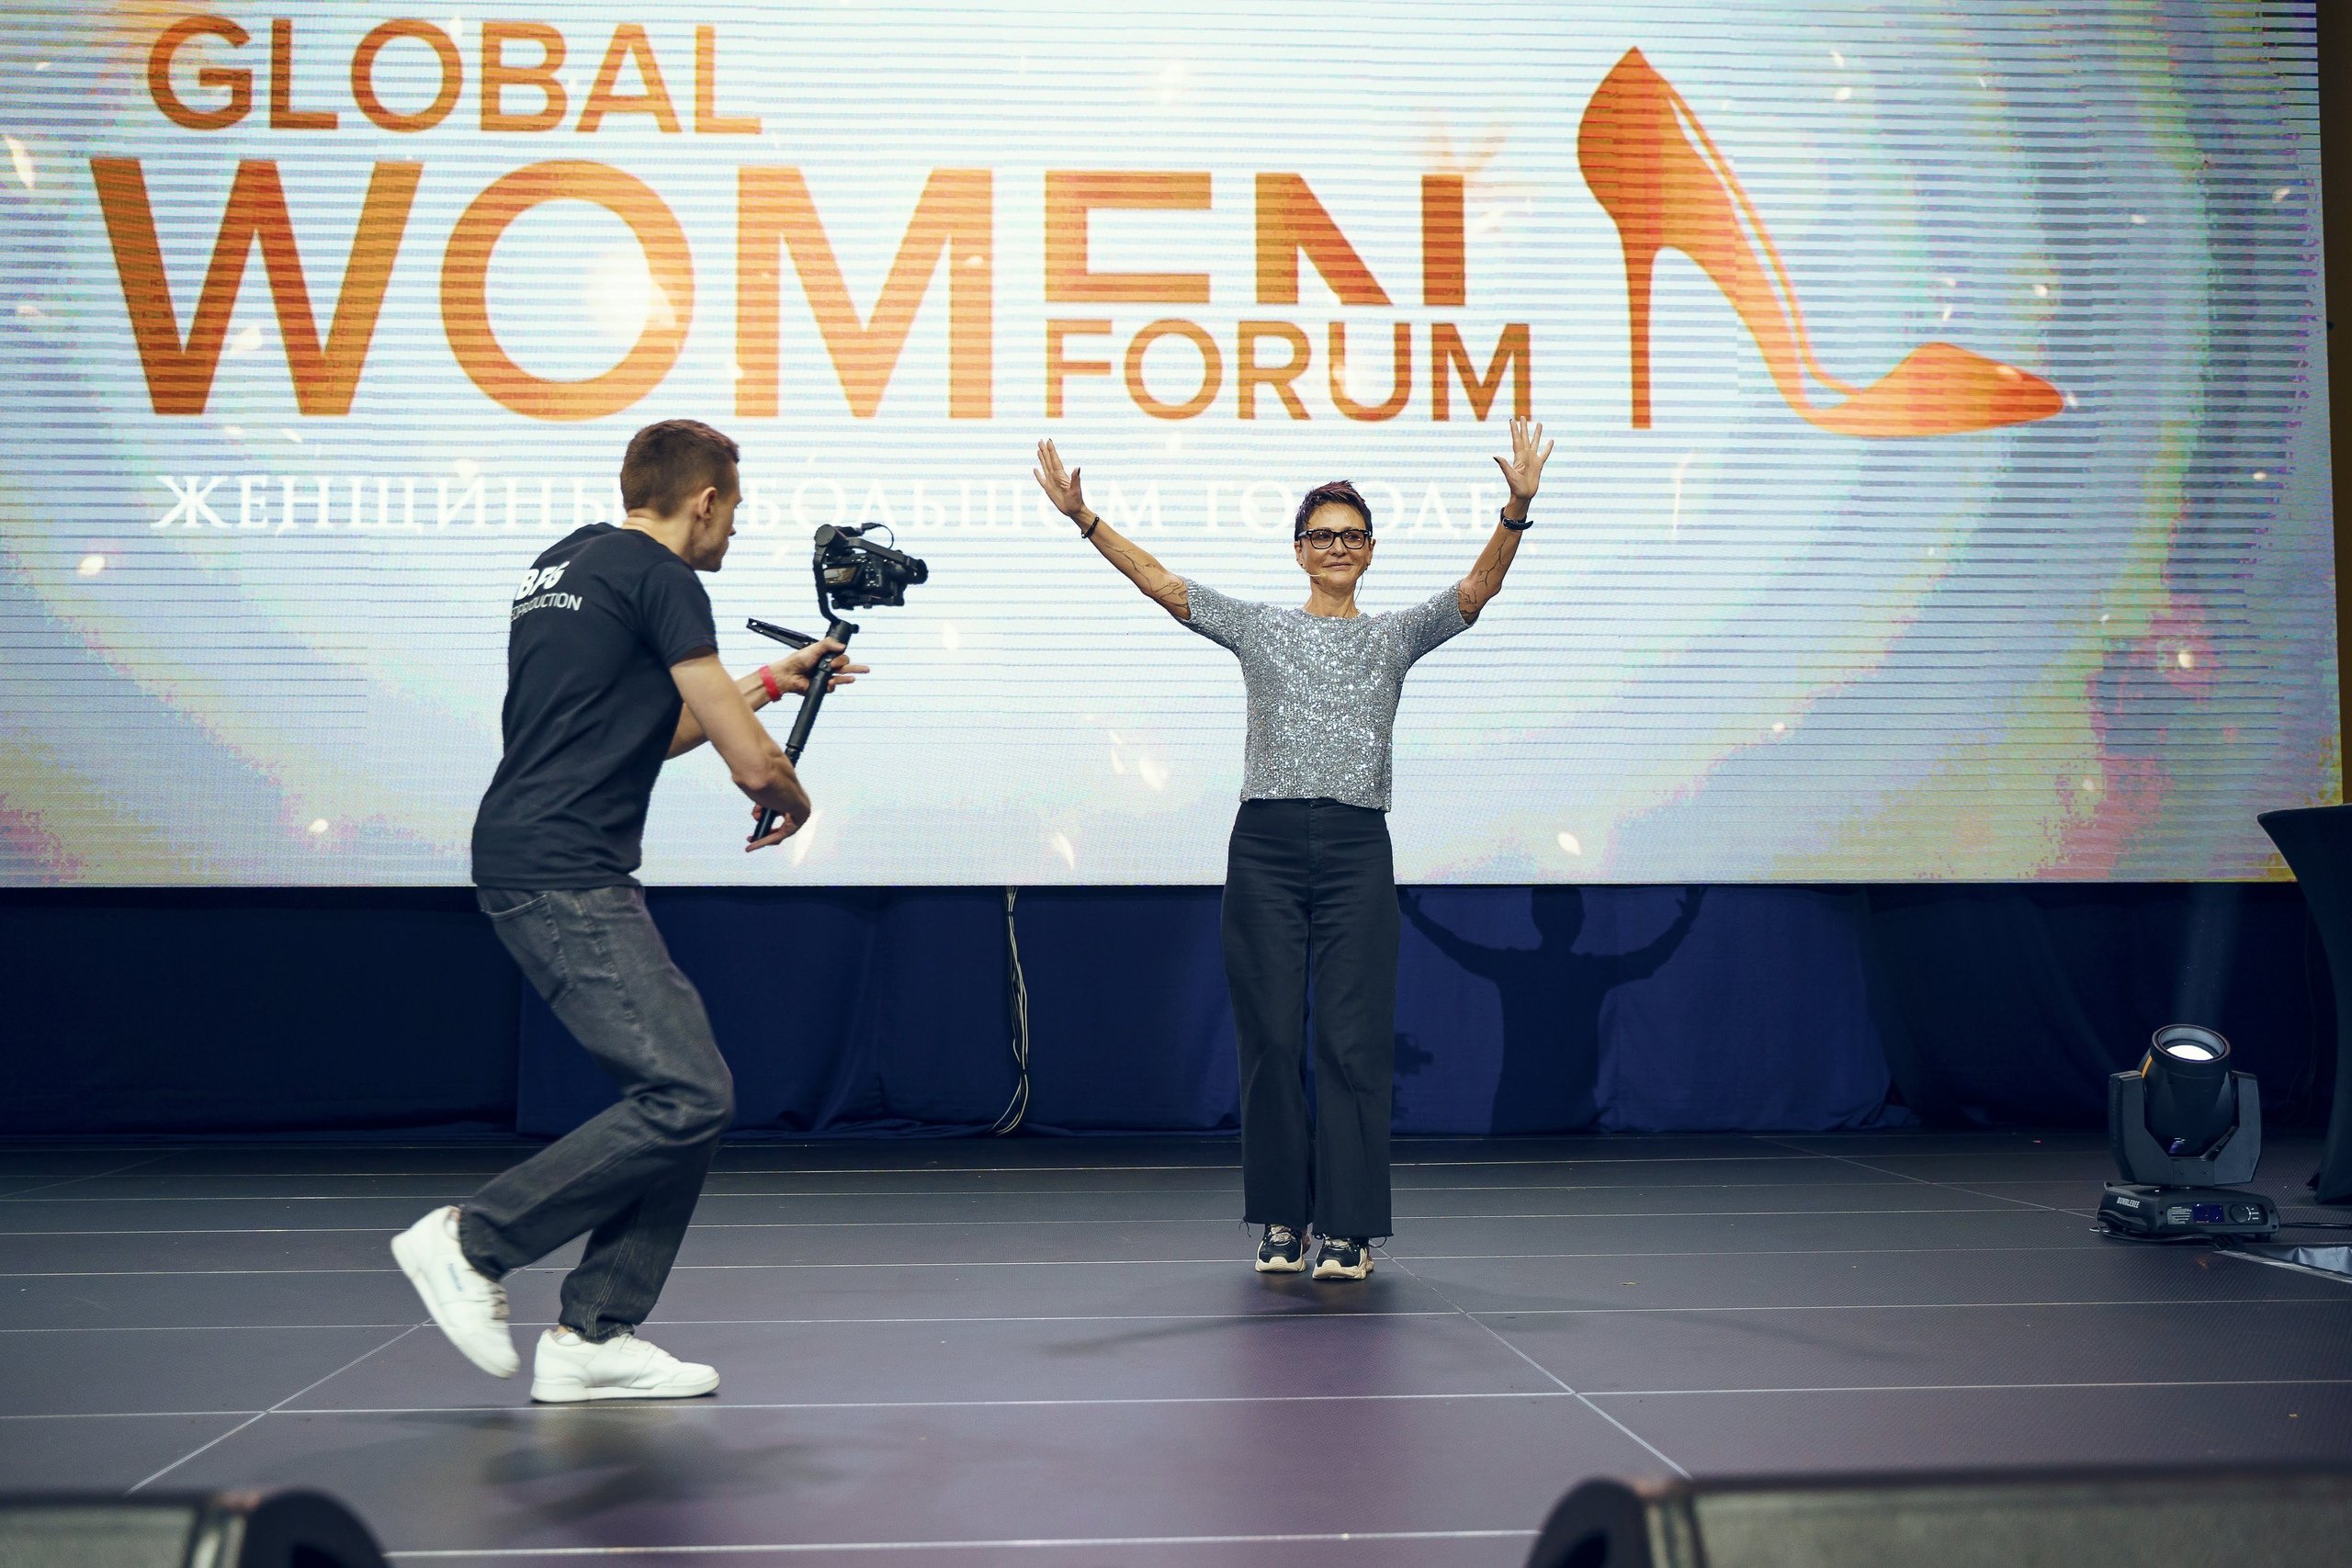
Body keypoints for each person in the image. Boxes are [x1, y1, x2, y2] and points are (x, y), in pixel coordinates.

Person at [393, 419, 866, 1402]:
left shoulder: (568, 561)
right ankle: (472, 1244)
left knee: (687, 1093)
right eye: (734, 510)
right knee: (688, 1096)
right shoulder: (666, 578)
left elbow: (645, 727)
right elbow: (748, 763)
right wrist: (791, 794)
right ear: (704, 501)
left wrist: (771, 679)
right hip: (564, 867)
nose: (733, 529)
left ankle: (594, 1334)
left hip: (539, 855)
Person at [1032, 420, 1552, 1279]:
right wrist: (1086, 520)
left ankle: (1349, 1230)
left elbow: (1477, 590)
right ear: (1300, 550)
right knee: (1270, 1038)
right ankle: (1281, 1217)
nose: (1338, 546)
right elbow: (1162, 583)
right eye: (1323, 535)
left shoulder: (1393, 635)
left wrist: (1517, 508)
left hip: (1356, 847)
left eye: (1352, 534)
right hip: (1265, 849)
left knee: (1351, 1041)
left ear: (1371, 550)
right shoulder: (1261, 627)